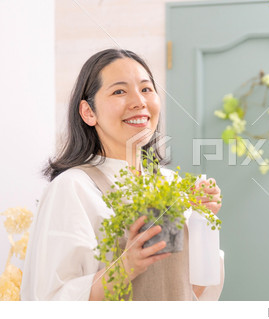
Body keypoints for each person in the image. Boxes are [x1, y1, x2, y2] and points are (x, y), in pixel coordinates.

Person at [21, 49, 224, 301]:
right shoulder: (72, 188)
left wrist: (201, 220)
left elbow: (193, 292)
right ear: (88, 112)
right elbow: (51, 301)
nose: (139, 101)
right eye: (119, 91)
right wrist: (126, 266)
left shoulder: (172, 186)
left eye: (146, 89)